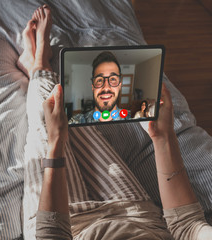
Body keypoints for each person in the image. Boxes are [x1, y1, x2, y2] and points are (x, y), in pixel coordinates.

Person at [18, 4, 212, 240]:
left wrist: (56, 143)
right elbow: (187, 226)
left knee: (46, 119)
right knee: (70, 115)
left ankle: (36, 63)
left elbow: (51, 234)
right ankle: (38, 68)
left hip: (69, 228)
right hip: (134, 213)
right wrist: (164, 137)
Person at [68, 51, 131, 124]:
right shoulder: (77, 122)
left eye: (113, 79)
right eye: (100, 80)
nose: (106, 87)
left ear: (119, 86)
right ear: (93, 87)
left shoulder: (134, 119)